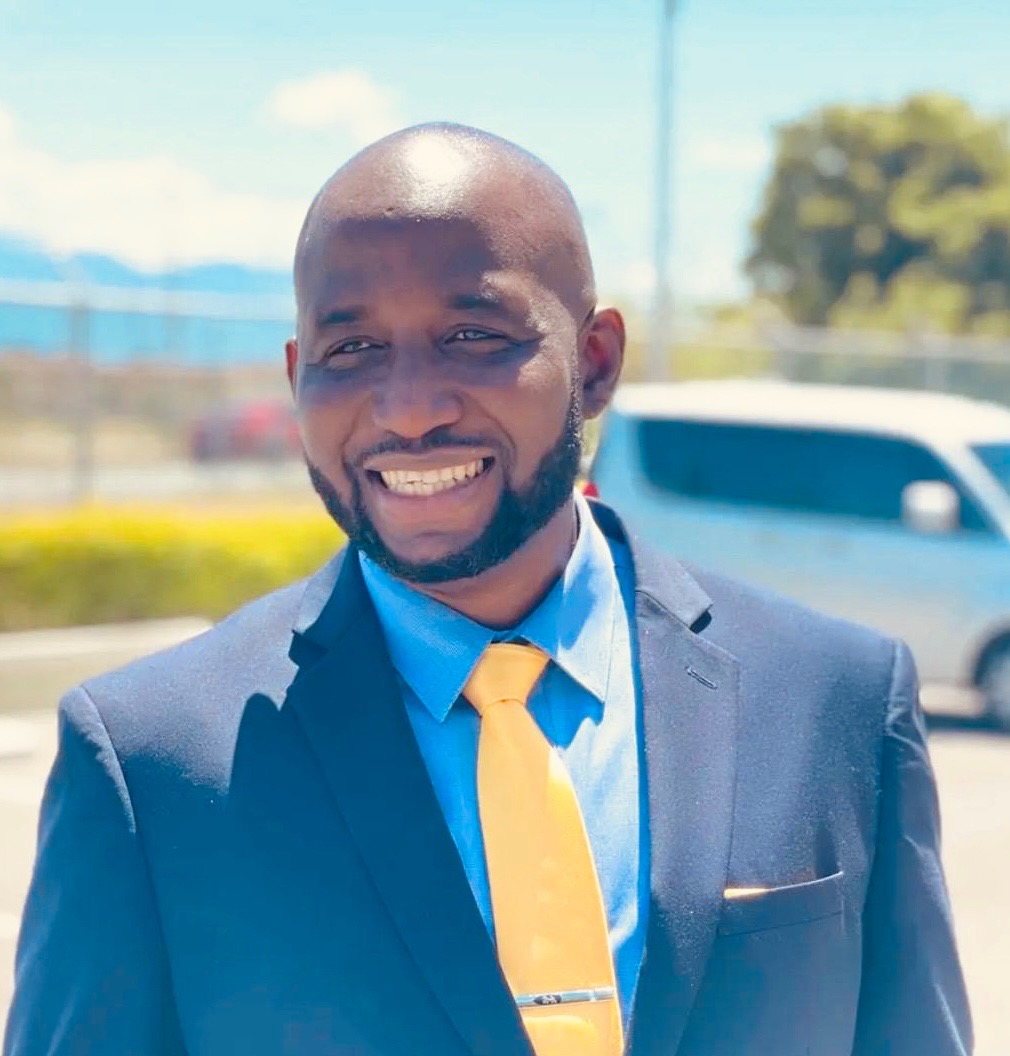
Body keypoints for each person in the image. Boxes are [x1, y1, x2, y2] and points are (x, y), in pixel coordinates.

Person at [5, 123, 971, 1056]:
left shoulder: (836, 700)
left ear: (595, 362)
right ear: (298, 378)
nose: (409, 409)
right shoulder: (154, 765)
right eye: (353, 349)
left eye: (473, 334)